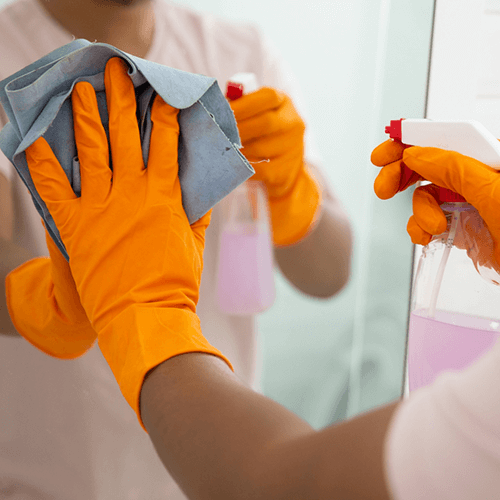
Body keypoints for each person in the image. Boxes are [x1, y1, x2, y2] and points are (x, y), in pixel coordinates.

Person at [21, 59, 500, 500]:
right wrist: (38, 301)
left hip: (214, 434)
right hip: (59, 464)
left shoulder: (244, 51)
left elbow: (278, 483)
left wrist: (144, 311)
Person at [0, 0, 353, 498]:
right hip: (51, 477)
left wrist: (295, 197)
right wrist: (45, 300)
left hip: (215, 465)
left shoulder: (241, 52)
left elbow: (331, 272)